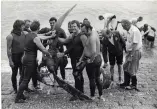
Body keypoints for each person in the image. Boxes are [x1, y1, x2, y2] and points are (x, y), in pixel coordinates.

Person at [15, 20, 55, 103]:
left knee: (23, 77)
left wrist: (50, 35)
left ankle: (21, 95)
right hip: (30, 59)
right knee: (26, 79)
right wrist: (49, 54)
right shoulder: (35, 37)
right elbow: (42, 48)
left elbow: (40, 36)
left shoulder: (27, 34)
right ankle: (18, 98)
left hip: (24, 58)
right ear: (39, 28)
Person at [57, 20, 87, 101]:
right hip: (73, 58)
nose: (73, 28)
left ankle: (78, 93)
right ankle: (80, 92)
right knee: (77, 75)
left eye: (74, 26)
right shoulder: (72, 35)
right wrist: (56, 36)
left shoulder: (82, 36)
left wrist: (81, 59)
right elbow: (64, 41)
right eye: (71, 26)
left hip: (80, 59)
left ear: (78, 26)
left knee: (77, 74)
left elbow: (86, 48)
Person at [78, 23, 104, 100]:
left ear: (88, 29)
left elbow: (93, 51)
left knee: (92, 78)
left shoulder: (92, 37)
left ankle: (92, 96)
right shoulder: (94, 32)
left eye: (84, 31)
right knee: (97, 77)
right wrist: (81, 58)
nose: (83, 33)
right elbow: (86, 48)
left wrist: (90, 60)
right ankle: (101, 95)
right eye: (82, 31)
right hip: (98, 58)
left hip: (93, 59)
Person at [120, 19, 142, 90]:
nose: (123, 28)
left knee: (132, 69)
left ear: (127, 24)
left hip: (135, 52)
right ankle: (126, 82)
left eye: (123, 26)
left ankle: (133, 84)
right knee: (125, 66)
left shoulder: (134, 31)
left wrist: (131, 56)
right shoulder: (129, 30)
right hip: (130, 51)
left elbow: (135, 44)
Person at [6, 20, 27, 93]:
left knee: (23, 73)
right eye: (23, 25)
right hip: (15, 57)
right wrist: (10, 60)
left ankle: (22, 88)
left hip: (22, 56)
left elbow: (34, 35)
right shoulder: (10, 36)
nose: (24, 27)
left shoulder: (24, 33)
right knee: (14, 73)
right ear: (18, 26)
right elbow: (8, 49)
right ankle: (15, 89)